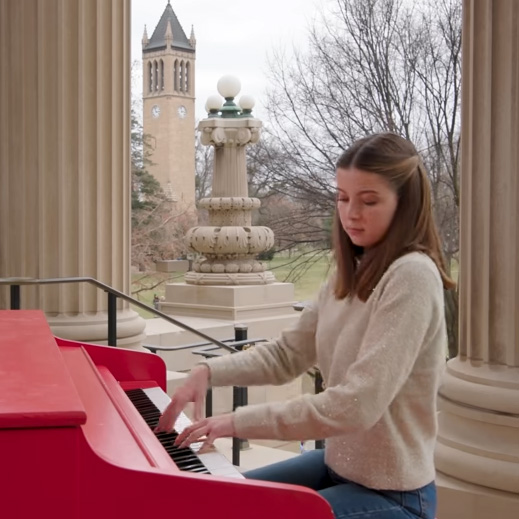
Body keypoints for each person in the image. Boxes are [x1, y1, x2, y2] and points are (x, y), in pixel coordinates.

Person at [156, 132, 455, 519]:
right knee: (223, 501)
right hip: (337, 467)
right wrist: (208, 371)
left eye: (369, 201)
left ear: (406, 205)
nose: (351, 214)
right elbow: (287, 355)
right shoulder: (351, 272)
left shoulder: (412, 276)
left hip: (395, 495)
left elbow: (356, 404)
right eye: (343, 198)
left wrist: (234, 422)